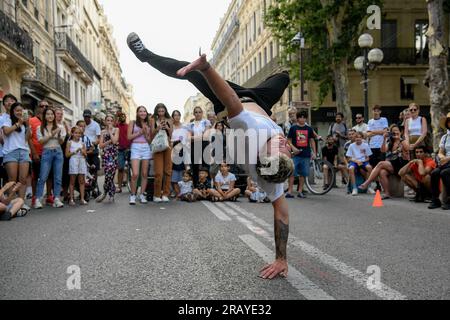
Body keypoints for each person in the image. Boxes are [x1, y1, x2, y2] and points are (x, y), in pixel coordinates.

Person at [128, 33, 293, 279]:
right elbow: (282, 212)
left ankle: (145, 55)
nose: (283, 142)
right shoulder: (275, 169)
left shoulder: (252, 131)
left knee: (192, 73)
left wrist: (207, 68)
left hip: (233, 99)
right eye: (286, 148)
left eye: (279, 146)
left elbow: (231, 99)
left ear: (264, 153)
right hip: (262, 101)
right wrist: (281, 259)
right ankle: (281, 73)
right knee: (284, 76)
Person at [359, 124, 410, 199]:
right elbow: (382, 150)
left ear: (400, 132)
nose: (395, 133)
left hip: (401, 165)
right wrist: (384, 139)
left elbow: (407, 148)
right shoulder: (390, 142)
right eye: (393, 132)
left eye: (396, 131)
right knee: (382, 172)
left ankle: (367, 182)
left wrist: (399, 138)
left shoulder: (403, 140)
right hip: (393, 165)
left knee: (380, 163)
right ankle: (387, 193)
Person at [1, 102, 32, 207]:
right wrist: (18, 123)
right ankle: (10, 202)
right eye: (17, 110)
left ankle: (21, 203)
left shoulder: (24, 122)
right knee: (12, 180)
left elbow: (27, 138)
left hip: (24, 151)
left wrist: (27, 126)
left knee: (23, 179)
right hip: (11, 152)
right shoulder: (7, 120)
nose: (19, 112)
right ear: (12, 111)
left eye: (21, 110)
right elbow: (6, 131)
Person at [34, 108, 65, 209]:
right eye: (47, 114)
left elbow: (61, 142)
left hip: (58, 152)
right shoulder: (40, 127)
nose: (50, 116)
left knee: (58, 177)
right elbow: (41, 141)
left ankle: (56, 198)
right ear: (44, 116)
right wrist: (52, 134)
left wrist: (59, 136)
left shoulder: (60, 127)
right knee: (43, 176)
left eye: (52, 114)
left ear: (54, 116)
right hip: (46, 152)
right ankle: (38, 199)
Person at [286, 111, 317, 198]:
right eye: (300, 117)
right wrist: (293, 148)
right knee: (292, 173)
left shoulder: (309, 129)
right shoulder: (293, 128)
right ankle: (289, 191)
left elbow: (312, 141)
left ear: (306, 118)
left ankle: (300, 191)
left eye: (304, 117)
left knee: (303, 174)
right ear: (297, 118)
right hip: (295, 154)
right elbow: (288, 140)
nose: (302, 119)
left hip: (306, 154)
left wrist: (314, 152)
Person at [29, 100, 54, 206]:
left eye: (46, 106)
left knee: (49, 176)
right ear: (38, 107)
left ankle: (49, 196)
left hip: (49, 152)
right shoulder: (31, 120)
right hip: (37, 153)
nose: (44, 107)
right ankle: (35, 197)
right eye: (42, 106)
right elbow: (29, 138)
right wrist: (34, 153)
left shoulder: (51, 120)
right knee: (36, 176)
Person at [128, 106, 152, 205]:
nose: (143, 113)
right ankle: (133, 195)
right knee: (135, 174)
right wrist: (140, 132)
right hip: (135, 147)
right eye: (140, 111)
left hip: (146, 148)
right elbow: (129, 137)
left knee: (145, 174)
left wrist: (146, 134)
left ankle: (142, 195)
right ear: (137, 113)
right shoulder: (132, 123)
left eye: (144, 111)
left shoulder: (149, 123)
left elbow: (150, 140)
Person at [150, 103, 173, 203]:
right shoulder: (152, 120)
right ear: (156, 111)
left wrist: (167, 128)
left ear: (165, 111)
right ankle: (157, 194)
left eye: (162, 111)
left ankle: (165, 194)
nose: (161, 113)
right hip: (157, 146)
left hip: (167, 145)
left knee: (168, 171)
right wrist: (157, 128)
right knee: (158, 172)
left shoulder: (170, 120)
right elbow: (151, 134)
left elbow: (171, 135)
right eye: (159, 111)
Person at [428, 114, 450, 209]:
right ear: (447, 123)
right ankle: (435, 199)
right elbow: (440, 152)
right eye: (449, 121)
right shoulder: (445, 137)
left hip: (448, 161)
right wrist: (442, 157)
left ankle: (449, 199)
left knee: (445, 173)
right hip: (446, 162)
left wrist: (447, 158)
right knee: (434, 173)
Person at [96, 115, 119, 203]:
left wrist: (110, 131)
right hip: (106, 155)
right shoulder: (102, 132)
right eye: (107, 120)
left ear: (113, 122)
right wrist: (108, 141)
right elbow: (100, 145)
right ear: (105, 122)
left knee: (110, 175)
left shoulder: (116, 130)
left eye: (111, 120)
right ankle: (110, 194)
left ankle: (106, 192)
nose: (109, 122)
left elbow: (115, 141)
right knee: (108, 175)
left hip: (113, 155)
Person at [367, 105, 389, 190]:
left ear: (380, 112)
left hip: (381, 146)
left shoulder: (384, 120)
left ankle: (383, 184)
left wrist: (373, 132)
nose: (375, 112)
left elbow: (385, 131)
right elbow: (368, 134)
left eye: (377, 111)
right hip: (372, 146)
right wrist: (379, 132)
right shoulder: (370, 121)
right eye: (374, 111)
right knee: (374, 167)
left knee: (381, 166)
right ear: (372, 111)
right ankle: (378, 185)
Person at [188, 106, 211, 185]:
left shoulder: (206, 122)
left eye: (199, 112)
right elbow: (189, 138)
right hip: (194, 146)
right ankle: (196, 186)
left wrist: (194, 137)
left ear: (202, 113)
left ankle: (207, 186)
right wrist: (200, 136)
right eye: (196, 112)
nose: (198, 114)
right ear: (194, 113)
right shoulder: (191, 124)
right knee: (195, 166)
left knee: (206, 165)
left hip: (205, 145)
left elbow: (206, 136)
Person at [66, 126, 88, 206]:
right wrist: (74, 151)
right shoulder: (69, 142)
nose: (78, 134)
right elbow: (67, 155)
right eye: (76, 133)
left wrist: (83, 152)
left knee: (82, 181)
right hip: (73, 160)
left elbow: (85, 155)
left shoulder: (82, 143)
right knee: (72, 180)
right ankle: (71, 199)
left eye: (79, 133)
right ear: (72, 133)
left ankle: (82, 198)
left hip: (81, 160)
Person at [0, 94, 18, 188]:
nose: (9, 102)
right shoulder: (1, 118)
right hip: (2, 153)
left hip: (14, 153)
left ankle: (10, 200)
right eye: (7, 100)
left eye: (12, 100)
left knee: (11, 179)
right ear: (3, 104)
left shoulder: (19, 117)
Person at [171, 110, 189, 197]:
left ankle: (183, 190)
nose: (177, 117)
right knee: (173, 170)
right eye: (175, 115)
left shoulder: (185, 127)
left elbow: (187, 139)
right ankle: (175, 191)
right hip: (173, 150)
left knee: (183, 169)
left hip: (183, 150)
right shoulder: (171, 127)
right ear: (172, 117)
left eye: (178, 115)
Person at [83, 110, 101, 177]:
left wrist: (94, 144)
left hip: (93, 147)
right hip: (83, 147)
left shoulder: (96, 125)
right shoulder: (82, 124)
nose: (87, 118)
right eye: (85, 117)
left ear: (90, 117)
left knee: (94, 166)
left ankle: (93, 182)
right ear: (83, 117)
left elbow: (99, 138)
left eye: (88, 117)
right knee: (84, 166)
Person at [116, 111, 130, 194]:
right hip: (120, 149)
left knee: (130, 168)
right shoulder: (117, 126)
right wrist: (117, 116)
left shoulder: (128, 126)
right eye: (121, 116)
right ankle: (119, 187)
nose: (122, 117)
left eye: (124, 116)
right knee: (120, 168)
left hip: (128, 149)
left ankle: (131, 185)